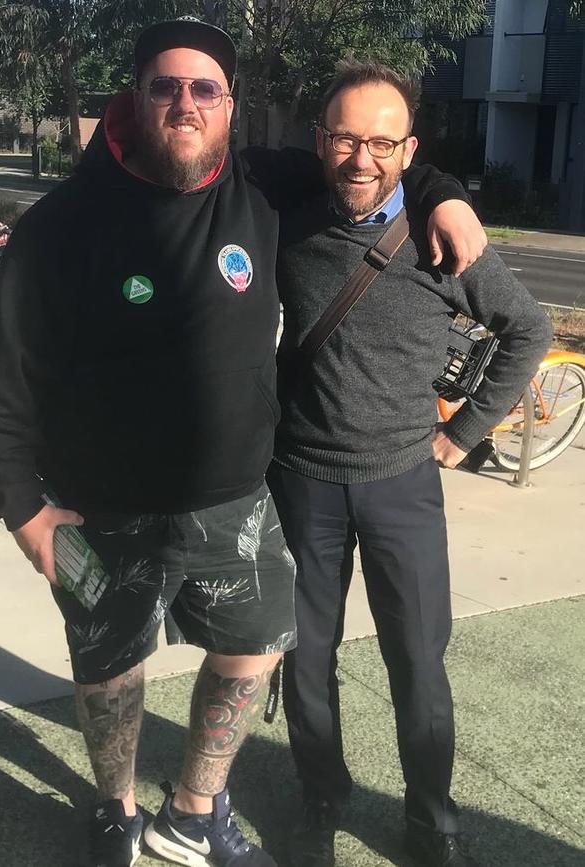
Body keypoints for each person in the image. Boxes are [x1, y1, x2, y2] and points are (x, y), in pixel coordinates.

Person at [0, 17, 486, 867]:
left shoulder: (262, 185)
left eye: (206, 88)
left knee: (256, 645)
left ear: (231, 106)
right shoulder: (61, 224)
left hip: (236, 502)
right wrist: (21, 508)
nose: (185, 102)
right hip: (100, 507)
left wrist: (445, 192)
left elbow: (372, 157)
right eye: (165, 85)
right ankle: (115, 807)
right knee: (109, 672)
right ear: (135, 96)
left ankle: (194, 809)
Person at [267, 60, 553, 867]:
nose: (363, 158)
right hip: (302, 481)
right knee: (305, 659)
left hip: (402, 485)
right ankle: (320, 798)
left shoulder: (440, 238)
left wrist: (462, 434)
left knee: (419, 667)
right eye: (347, 138)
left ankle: (432, 821)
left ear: (409, 149)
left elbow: (525, 329)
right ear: (322, 141)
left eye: (382, 142)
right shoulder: (287, 216)